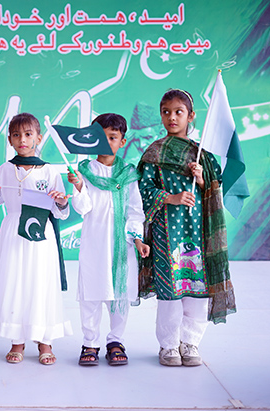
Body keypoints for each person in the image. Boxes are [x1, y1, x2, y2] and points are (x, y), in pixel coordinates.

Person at [137, 89, 236, 367]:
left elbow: (215, 191)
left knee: (197, 290)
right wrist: (171, 197)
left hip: (198, 232)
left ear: (191, 116)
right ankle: (169, 345)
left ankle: (190, 342)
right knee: (170, 290)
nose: (172, 117)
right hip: (166, 232)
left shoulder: (202, 155)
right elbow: (142, 190)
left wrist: (202, 180)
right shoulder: (154, 153)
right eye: (166, 112)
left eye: (178, 112)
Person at [0, 112, 71, 365]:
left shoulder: (49, 171)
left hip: (41, 234)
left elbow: (60, 209)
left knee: (41, 282)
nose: (22, 139)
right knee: (16, 282)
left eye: (28, 134)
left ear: (38, 138)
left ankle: (45, 341)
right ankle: (17, 340)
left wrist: (61, 201)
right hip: (13, 232)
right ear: (10, 140)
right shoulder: (5, 169)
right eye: (16, 135)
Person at [67, 113, 150, 366]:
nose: (106, 142)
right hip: (94, 242)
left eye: (112, 138)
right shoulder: (84, 171)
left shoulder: (128, 174)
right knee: (91, 294)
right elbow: (83, 208)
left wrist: (138, 239)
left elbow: (135, 210)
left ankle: (115, 341)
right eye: (101, 137)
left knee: (120, 295)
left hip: (122, 246)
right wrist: (78, 187)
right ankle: (89, 342)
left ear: (122, 142)